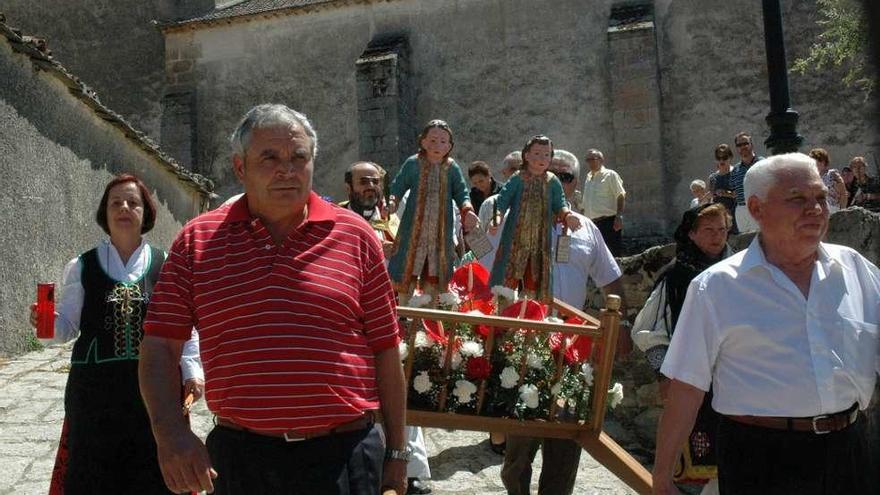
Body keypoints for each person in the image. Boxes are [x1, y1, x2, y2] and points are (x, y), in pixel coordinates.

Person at [138, 104, 408, 495]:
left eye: (299, 157)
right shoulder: (197, 242)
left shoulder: (357, 237)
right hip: (242, 462)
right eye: (270, 157)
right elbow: (161, 344)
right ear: (239, 167)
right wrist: (170, 435)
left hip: (344, 457)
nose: (287, 169)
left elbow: (385, 348)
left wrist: (398, 454)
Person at [651, 153, 879, 495]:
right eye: (797, 199)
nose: (815, 209)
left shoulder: (857, 271)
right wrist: (662, 476)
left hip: (851, 449)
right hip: (760, 459)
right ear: (756, 210)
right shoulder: (717, 287)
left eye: (820, 197)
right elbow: (686, 385)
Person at [28, 174, 203, 494]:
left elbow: (184, 324)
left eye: (133, 202)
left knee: (154, 472)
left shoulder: (165, 265)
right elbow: (65, 328)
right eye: (116, 202)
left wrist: (192, 370)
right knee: (93, 473)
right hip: (95, 391)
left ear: (145, 212)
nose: (124, 207)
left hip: (153, 390)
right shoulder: (82, 265)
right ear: (105, 213)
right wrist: (44, 322)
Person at [500, 154, 625, 495]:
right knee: (519, 449)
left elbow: (611, 281)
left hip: (573, 346)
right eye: (547, 173)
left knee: (566, 443)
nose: (555, 181)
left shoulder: (586, 228)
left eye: (564, 176)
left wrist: (619, 327)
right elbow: (486, 276)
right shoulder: (512, 222)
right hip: (524, 344)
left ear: (574, 183)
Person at [340, 160, 433, 495]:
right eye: (363, 181)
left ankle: (414, 469)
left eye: (376, 182)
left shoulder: (396, 222)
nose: (371, 188)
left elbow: (416, 270)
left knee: (400, 391)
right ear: (348, 186)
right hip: (349, 324)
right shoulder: (334, 221)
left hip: (391, 319)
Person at [632, 203, 733, 495]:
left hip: (737, 379)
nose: (717, 236)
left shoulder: (741, 275)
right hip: (694, 381)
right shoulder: (676, 277)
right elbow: (648, 332)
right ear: (691, 234)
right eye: (709, 230)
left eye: (722, 230)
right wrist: (665, 374)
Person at [386, 119, 480, 299]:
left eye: (443, 141)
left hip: (439, 233)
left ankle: (429, 312)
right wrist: (393, 201)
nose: (438, 145)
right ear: (423, 142)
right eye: (433, 140)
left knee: (434, 273)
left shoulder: (452, 168)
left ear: (449, 146)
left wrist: (467, 210)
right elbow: (398, 185)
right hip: (413, 230)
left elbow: (461, 192)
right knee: (407, 269)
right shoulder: (412, 163)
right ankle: (405, 311)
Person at [488, 135, 581, 303]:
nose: (542, 159)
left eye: (546, 155)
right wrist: (497, 218)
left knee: (534, 283)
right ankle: (504, 317)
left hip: (539, 242)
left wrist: (567, 215)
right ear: (527, 156)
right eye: (537, 153)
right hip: (515, 241)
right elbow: (502, 200)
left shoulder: (552, 182)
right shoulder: (518, 178)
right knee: (507, 281)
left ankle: (530, 319)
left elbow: (559, 203)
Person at [581, 148, 626, 256]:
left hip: (608, 223)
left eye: (593, 159)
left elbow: (620, 195)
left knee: (613, 256)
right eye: (588, 160)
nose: (590, 162)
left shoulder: (610, 175)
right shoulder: (588, 178)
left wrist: (619, 216)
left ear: (601, 160)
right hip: (592, 224)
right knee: (597, 257)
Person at [728, 132, 764, 232]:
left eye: (745, 143)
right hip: (741, 210)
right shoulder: (735, 170)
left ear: (751, 144)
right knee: (744, 242)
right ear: (736, 148)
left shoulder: (763, 163)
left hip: (759, 207)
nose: (742, 147)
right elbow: (734, 191)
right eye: (739, 145)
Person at [809, 148, 848, 213]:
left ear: (824, 162)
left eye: (819, 160)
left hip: (832, 210)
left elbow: (843, 193)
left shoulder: (832, 174)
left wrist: (842, 212)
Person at [707, 144, 736, 226]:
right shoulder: (713, 177)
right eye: (718, 158)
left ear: (730, 157)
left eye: (724, 158)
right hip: (719, 220)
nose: (721, 161)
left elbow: (740, 195)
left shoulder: (736, 173)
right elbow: (711, 199)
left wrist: (725, 193)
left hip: (735, 217)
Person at [552, 149, 584, 215]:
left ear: (576, 184)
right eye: (550, 174)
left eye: (565, 177)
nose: (556, 181)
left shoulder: (585, 225)